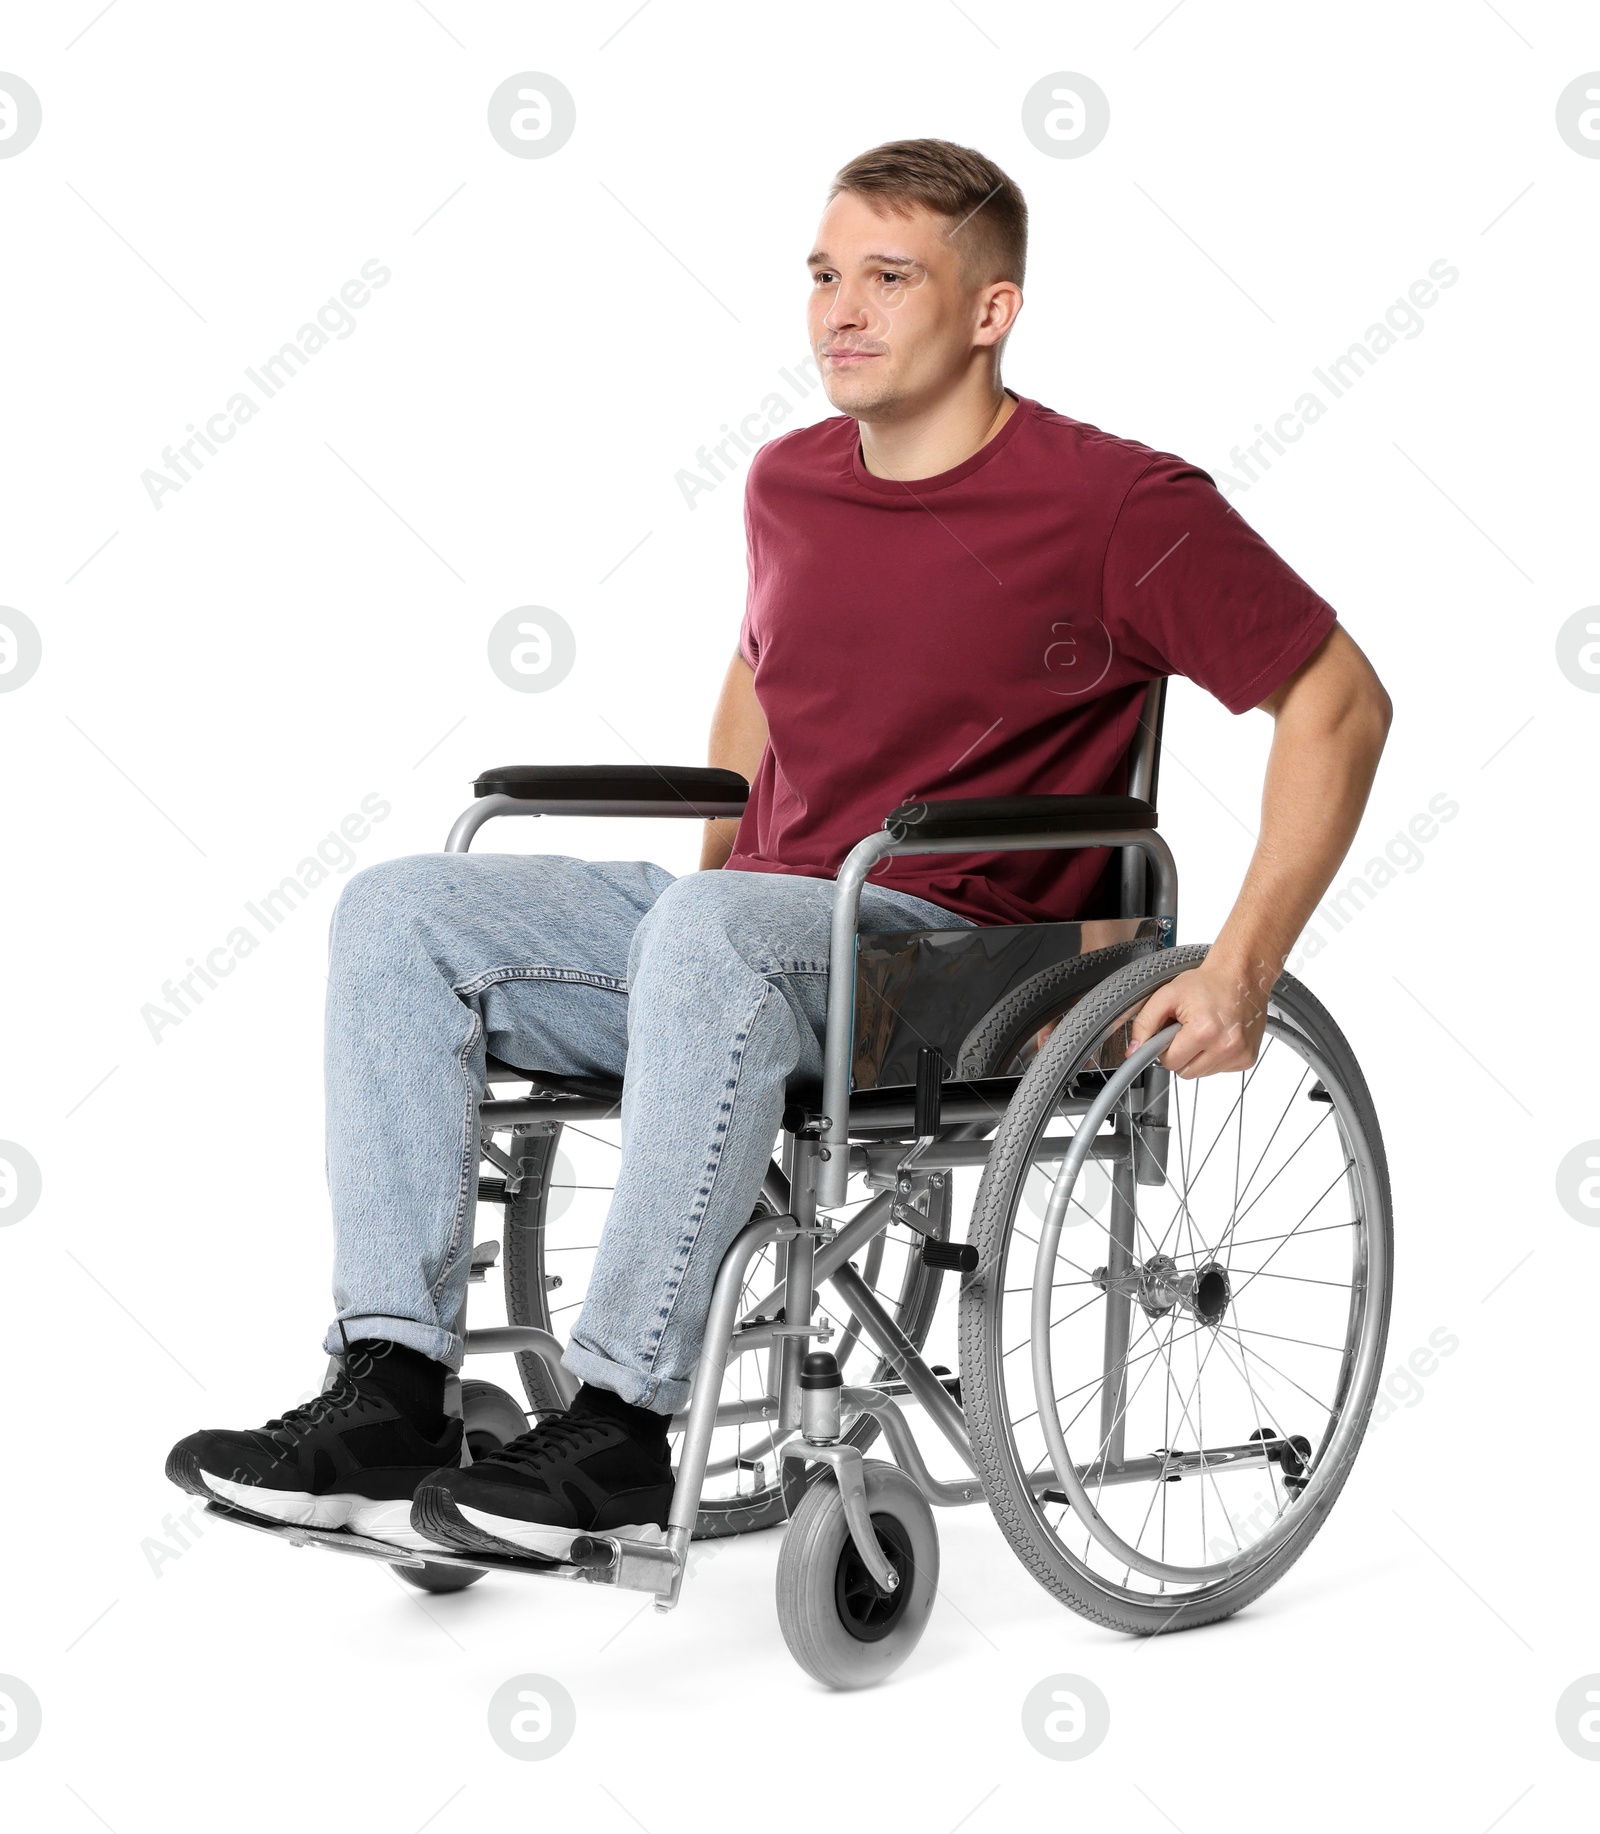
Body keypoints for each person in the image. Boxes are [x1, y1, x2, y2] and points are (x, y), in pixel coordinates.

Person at [165, 138, 1391, 1562]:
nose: (839, 311)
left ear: (990, 312)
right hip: (774, 935)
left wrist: (1242, 964)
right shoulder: (789, 479)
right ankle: (389, 1387)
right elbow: (760, 675)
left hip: (961, 960)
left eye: (887, 277)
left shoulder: (1119, 503)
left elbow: (1340, 702)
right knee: (400, 912)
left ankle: (621, 1420)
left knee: (715, 936)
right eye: (822, 275)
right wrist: (709, 920)